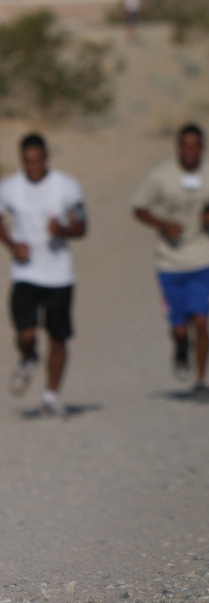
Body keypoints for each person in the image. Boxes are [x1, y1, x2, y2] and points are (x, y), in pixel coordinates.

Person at [132, 123, 209, 401]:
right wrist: (162, 224)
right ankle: (181, 344)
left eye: (195, 146)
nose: (190, 152)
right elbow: (139, 207)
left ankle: (201, 380)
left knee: (203, 322)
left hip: (204, 259)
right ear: (177, 147)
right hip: (169, 262)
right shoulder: (161, 176)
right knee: (180, 326)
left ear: (202, 148)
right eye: (185, 146)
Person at [0, 133, 87, 418]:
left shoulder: (66, 186)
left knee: (58, 338)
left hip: (59, 275)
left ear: (46, 158)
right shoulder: (10, 187)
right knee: (25, 334)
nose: (33, 167)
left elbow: (82, 226)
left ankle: (51, 394)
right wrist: (13, 245)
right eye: (27, 162)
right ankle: (28, 357)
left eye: (37, 161)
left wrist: (61, 230)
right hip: (25, 272)